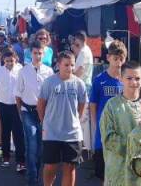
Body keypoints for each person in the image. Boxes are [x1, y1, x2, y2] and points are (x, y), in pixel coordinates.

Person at [37, 50, 86, 186]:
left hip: (72, 134)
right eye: (66, 65)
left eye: (72, 65)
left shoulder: (79, 84)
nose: (70, 68)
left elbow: (82, 105)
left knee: (69, 167)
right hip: (51, 133)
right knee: (50, 166)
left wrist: (75, 120)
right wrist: (44, 123)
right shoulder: (49, 82)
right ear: (58, 65)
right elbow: (41, 105)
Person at [15, 40, 54, 186]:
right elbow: (18, 95)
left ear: (44, 54)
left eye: (40, 53)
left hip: (44, 113)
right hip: (28, 111)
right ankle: (32, 180)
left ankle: (37, 172)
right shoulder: (23, 71)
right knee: (31, 144)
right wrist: (21, 112)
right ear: (31, 53)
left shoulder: (49, 72)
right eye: (35, 53)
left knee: (41, 146)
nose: (38, 56)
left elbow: (51, 95)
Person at [100, 61, 141, 186]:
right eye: (129, 78)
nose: (134, 82)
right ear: (121, 78)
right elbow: (108, 139)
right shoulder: (112, 106)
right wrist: (137, 148)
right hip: (118, 172)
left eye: (137, 78)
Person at [89, 39, 126, 181]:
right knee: (103, 175)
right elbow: (93, 104)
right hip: (103, 134)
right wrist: (95, 126)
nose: (118, 62)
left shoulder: (126, 80)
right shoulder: (99, 80)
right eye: (115, 58)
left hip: (122, 131)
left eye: (121, 59)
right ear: (108, 58)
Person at [0, 49, 25, 171]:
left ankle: (21, 161)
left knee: (18, 134)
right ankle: (5, 157)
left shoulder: (20, 70)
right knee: (5, 132)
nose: (9, 63)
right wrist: (1, 99)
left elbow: (23, 87)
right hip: (3, 105)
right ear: (3, 60)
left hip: (17, 106)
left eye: (11, 60)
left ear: (15, 59)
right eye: (7, 61)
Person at [71, 31, 94, 158]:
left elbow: (79, 71)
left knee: (82, 117)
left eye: (75, 43)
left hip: (83, 86)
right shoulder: (88, 50)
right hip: (86, 85)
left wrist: (69, 74)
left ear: (78, 41)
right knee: (84, 117)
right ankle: (85, 145)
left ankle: (82, 146)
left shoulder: (83, 53)